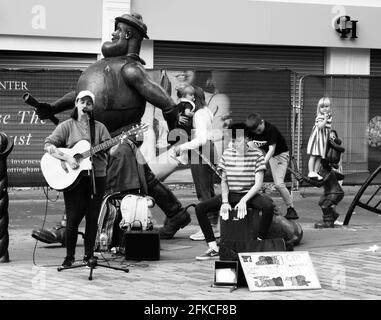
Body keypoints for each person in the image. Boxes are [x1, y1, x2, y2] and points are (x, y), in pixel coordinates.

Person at [32, 13, 191, 243]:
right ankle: (177, 214)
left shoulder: (130, 69)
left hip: (120, 136)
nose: (113, 34)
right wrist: (53, 107)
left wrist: (176, 133)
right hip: (97, 135)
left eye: (118, 30)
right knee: (143, 178)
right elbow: (82, 95)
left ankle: (69, 229)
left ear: (128, 34)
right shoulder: (109, 66)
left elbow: (165, 102)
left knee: (87, 178)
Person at [44, 91, 111, 267]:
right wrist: (67, 158)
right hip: (73, 180)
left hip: (97, 177)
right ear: (76, 103)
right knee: (73, 219)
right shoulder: (66, 126)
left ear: (92, 107)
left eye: (89, 103)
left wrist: (107, 148)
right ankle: (69, 256)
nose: (85, 106)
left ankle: (89, 256)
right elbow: (48, 145)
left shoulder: (100, 128)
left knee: (92, 218)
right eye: (82, 102)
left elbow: (110, 149)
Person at [194, 123, 275, 260]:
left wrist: (244, 200)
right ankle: (213, 247)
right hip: (231, 194)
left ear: (247, 139)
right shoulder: (227, 154)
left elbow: (258, 184)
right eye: (232, 140)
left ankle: (259, 243)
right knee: (200, 208)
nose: (234, 143)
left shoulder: (257, 155)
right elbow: (224, 181)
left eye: (237, 140)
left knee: (268, 206)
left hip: (250, 194)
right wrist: (225, 201)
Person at [246, 113, 298, 220]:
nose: (257, 133)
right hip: (266, 154)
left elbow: (272, 150)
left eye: (259, 130)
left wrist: (262, 163)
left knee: (279, 184)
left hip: (279, 155)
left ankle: (291, 208)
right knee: (249, 143)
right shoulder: (251, 130)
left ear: (262, 122)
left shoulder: (271, 129)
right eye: (255, 131)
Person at [289, 158, 344, 229]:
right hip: (329, 192)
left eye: (321, 166)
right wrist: (304, 177)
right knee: (321, 202)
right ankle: (333, 216)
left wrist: (307, 179)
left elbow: (319, 184)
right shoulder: (328, 172)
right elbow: (341, 177)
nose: (320, 168)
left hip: (336, 193)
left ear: (324, 167)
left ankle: (328, 222)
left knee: (325, 206)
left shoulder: (328, 174)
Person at [306, 97, 333, 180]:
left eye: (326, 106)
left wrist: (330, 134)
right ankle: (311, 171)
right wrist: (325, 119)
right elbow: (321, 126)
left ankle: (316, 172)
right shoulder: (320, 116)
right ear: (319, 108)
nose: (324, 109)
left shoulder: (329, 116)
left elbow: (328, 128)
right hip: (317, 139)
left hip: (323, 139)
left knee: (319, 157)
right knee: (313, 155)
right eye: (322, 107)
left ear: (330, 107)